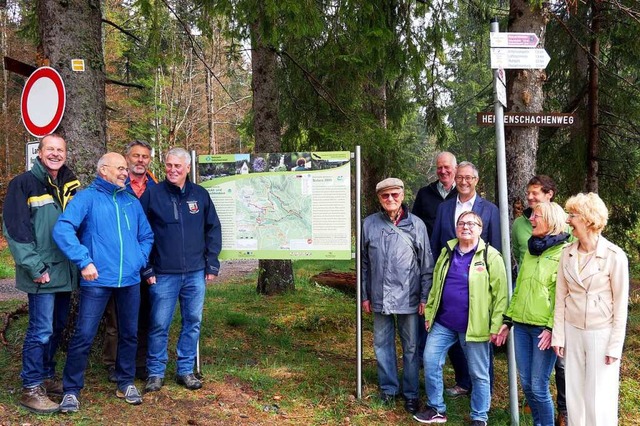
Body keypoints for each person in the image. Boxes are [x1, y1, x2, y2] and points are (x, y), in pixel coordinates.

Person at [52, 152, 154, 413]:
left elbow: (146, 235)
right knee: (84, 335)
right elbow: (62, 229)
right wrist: (84, 261)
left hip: (130, 280)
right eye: (119, 168)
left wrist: (138, 260)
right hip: (97, 280)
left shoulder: (131, 201)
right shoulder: (87, 198)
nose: (124, 172)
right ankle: (71, 390)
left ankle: (125, 382)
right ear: (103, 171)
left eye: (125, 168)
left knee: (129, 334)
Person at [2, 134, 80, 414]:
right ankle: (31, 387)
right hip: (42, 273)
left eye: (60, 150)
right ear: (40, 152)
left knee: (57, 327)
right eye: (51, 149)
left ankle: (46, 375)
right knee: (41, 330)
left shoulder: (71, 184)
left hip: (65, 271)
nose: (56, 154)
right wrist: (35, 267)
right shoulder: (23, 184)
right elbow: (15, 230)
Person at [140, 147, 222, 393]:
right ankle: (155, 372)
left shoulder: (200, 195)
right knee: (158, 324)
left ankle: (185, 370)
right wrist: (147, 268)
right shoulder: (152, 195)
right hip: (163, 274)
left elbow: (213, 230)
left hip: (196, 273)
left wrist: (212, 262)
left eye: (178, 166)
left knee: (193, 322)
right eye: (169, 165)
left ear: (187, 168)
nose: (172, 170)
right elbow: (140, 233)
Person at [414, 211, 507, 426]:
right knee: (430, 361)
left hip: (475, 326)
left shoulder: (490, 256)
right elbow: (436, 286)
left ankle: (479, 416)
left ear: (480, 229)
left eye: (471, 223)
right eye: (462, 223)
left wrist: (497, 325)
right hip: (444, 322)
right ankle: (437, 408)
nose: (466, 227)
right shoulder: (447, 252)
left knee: (479, 373)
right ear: (456, 227)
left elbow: (501, 295)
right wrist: (430, 313)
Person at [552, 193, 629, 426]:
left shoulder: (614, 256)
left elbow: (620, 305)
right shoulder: (567, 253)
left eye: (573, 215)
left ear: (587, 219)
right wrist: (559, 335)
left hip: (601, 333)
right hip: (572, 330)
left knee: (599, 397)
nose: (568, 220)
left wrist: (615, 346)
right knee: (574, 395)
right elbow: (560, 298)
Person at [429, 161, 501, 398]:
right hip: (450, 277)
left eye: (468, 177)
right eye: (459, 177)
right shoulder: (445, 208)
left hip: (479, 284)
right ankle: (462, 382)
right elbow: (436, 242)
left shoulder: (489, 209)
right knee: (454, 337)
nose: (463, 181)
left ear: (476, 180)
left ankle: (483, 390)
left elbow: (496, 247)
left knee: (479, 345)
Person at [361, 177, 433, 414]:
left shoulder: (417, 225)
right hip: (379, 296)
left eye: (395, 195)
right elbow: (362, 264)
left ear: (402, 196)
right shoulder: (368, 224)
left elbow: (426, 265)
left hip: (410, 298)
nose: (390, 200)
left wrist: (425, 297)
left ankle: (411, 393)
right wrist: (364, 295)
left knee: (411, 347)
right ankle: (388, 389)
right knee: (382, 344)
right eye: (385, 196)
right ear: (379, 199)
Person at [496, 202, 570, 426]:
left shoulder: (564, 253)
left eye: (536, 216)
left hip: (542, 330)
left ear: (550, 220)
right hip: (521, 325)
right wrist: (508, 320)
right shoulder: (531, 250)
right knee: (527, 384)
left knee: (538, 386)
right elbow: (519, 288)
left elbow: (563, 296)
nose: (531, 219)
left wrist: (551, 328)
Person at [102, 140, 158, 382]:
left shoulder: (156, 187)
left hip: (149, 262)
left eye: (145, 157)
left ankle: (141, 363)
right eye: (135, 156)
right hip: (119, 262)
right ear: (126, 158)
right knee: (116, 317)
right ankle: (113, 364)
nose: (140, 161)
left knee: (147, 314)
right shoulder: (114, 184)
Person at [412, 151, 458, 237]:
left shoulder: (462, 194)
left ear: (456, 168)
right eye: (439, 168)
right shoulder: (424, 193)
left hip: (456, 248)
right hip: (429, 248)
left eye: (446, 167)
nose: (443, 171)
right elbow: (415, 223)